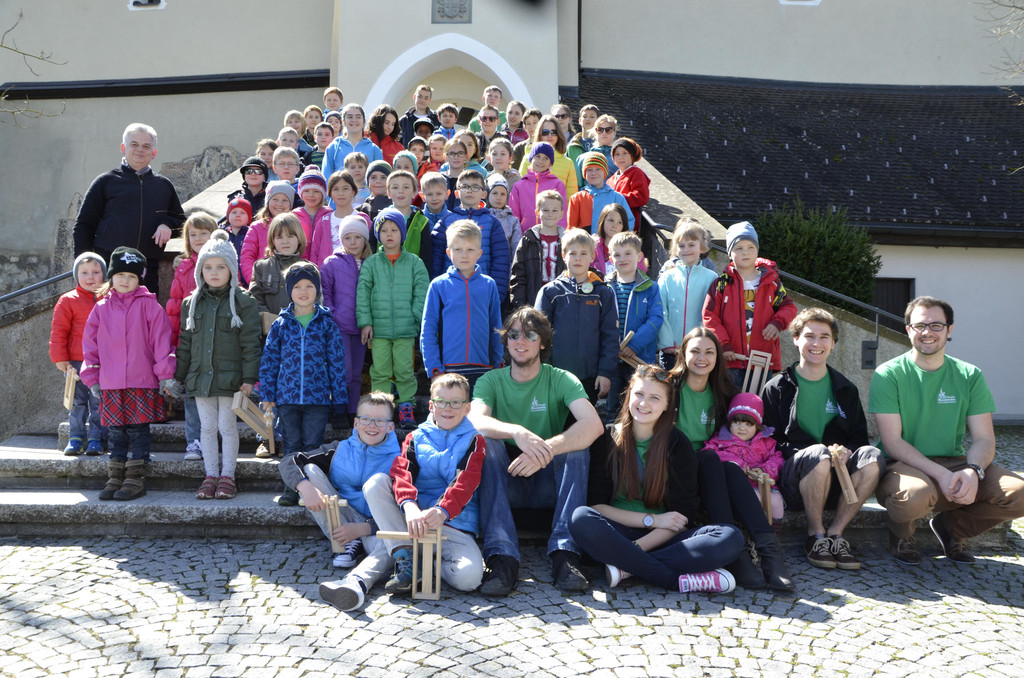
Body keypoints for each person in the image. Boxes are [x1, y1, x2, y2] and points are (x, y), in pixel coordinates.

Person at [869, 296, 1024, 565]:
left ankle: (951, 528)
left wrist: (973, 470)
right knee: (914, 495)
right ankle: (902, 535)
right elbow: (892, 441)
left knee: (1019, 493)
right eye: (919, 325)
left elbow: (984, 438)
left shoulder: (969, 375)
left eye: (936, 325)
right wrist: (940, 474)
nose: (927, 332)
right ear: (908, 329)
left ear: (949, 329)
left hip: (956, 462)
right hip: (903, 465)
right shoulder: (888, 374)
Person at [570, 364, 743, 593]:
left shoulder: (677, 444)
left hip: (665, 537)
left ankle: (627, 567)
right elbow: (597, 506)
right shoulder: (607, 438)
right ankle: (674, 580)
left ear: (666, 405)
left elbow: (681, 517)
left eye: (654, 398)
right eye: (639, 394)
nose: (644, 403)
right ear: (628, 395)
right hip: (617, 532)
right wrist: (651, 520)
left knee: (730, 537)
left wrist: (636, 549)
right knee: (580, 518)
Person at [469, 308, 605, 596]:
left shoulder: (561, 378)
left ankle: (566, 553)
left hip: (547, 482)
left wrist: (546, 449)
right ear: (506, 341)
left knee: (577, 448)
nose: (520, 341)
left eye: (530, 335)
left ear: (543, 342)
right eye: (513, 334)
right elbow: (475, 420)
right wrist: (517, 432)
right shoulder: (490, 381)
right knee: (487, 443)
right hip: (506, 479)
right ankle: (502, 556)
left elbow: (593, 425)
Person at [670, 327, 793, 591]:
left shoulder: (724, 393)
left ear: (717, 357)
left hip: (714, 465)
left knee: (730, 468)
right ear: (683, 354)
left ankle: (770, 556)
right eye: (695, 351)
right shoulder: (670, 388)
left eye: (709, 352)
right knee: (713, 460)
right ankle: (736, 554)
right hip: (676, 464)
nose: (702, 358)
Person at [761, 307, 884, 570]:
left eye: (824, 337)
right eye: (809, 336)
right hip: (795, 482)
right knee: (818, 453)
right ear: (796, 339)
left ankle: (836, 534)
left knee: (872, 456)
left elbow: (859, 438)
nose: (816, 343)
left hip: (839, 481)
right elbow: (767, 441)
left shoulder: (845, 388)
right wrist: (813, 454)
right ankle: (815, 536)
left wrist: (847, 451)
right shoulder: (777, 387)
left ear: (833, 343)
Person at [364, 373, 487, 597]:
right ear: (431, 405)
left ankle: (424, 564)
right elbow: (402, 473)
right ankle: (407, 557)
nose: (447, 408)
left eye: (456, 403)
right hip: (415, 521)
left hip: (452, 524)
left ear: (467, 408)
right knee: (375, 483)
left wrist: (442, 510)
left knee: (469, 578)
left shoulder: (475, 440)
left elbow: (465, 481)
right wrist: (410, 506)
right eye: (441, 402)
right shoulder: (415, 437)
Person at [286, 392, 402, 612]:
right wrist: (305, 487)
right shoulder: (338, 448)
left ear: (390, 426)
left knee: (394, 544)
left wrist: (364, 528)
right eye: (366, 419)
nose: (372, 426)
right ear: (356, 423)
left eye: (380, 421)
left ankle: (356, 583)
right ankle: (345, 544)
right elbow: (289, 461)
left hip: (376, 528)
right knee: (310, 469)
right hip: (342, 517)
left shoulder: (402, 457)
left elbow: (401, 514)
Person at [80, 247, 179, 501]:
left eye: (132, 276)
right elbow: (90, 346)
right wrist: (92, 376)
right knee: (115, 431)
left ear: (140, 279)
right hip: (111, 382)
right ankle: (115, 475)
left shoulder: (149, 306)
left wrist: (165, 375)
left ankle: (135, 477)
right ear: (111, 277)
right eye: (121, 275)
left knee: (138, 430)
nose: (125, 280)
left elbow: (161, 342)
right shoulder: (101, 308)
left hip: (141, 380)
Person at [174, 231, 261, 501]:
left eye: (221, 267)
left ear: (231, 269)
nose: (214, 272)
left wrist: (249, 378)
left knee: (227, 426)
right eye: (208, 267)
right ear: (200, 270)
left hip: (231, 379)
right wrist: (178, 377)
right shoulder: (192, 303)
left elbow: (251, 342)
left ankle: (228, 476)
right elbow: (185, 342)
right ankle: (210, 475)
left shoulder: (244, 301)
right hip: (201, 378)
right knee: (207, 428)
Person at [259, 262, 348, 505]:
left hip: (317, 398)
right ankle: (292, 487)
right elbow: (269, 361)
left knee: (312, 445)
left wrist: (340, 397)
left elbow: (336, 361)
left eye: (309, 285)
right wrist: (267, 394)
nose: (303, 291)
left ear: (317, 289)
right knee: (291, 444)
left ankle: (315, 487)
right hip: (286, 397)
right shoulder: (281, 324)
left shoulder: (326, 323)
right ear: (289, 291)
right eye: (297, 286)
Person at [73, 123, 185, 294]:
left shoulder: (163, 186)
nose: (140, 150)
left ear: (154, 153)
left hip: (146, 272)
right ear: (123, 148)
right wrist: (85, 265)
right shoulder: (106, 182)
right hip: (109, 270)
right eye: (134, 144)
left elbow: (182, 224)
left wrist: (167, 224)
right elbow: (83, 225)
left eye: (146, 146)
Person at [355, 209, 429, 429]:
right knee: (380, 371)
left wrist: (415, 317)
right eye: (384, 230)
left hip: (405, 329)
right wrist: (365, 322)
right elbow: (362, 293)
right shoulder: (371, 263)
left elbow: (422, 292)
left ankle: (406, 406)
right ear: (377, 234)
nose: (389, 234)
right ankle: (381, 408)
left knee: (405, 371)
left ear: (402, 233)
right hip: (379, 330)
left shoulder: (414, 262)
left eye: (394, 230)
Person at [702, 221, 797, 388]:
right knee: (732, 402)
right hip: (731, 359)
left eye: (750, 247)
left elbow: (789, 307)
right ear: (730, 253)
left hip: (763, 360)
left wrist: (777, 323)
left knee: (760, 403)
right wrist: (724, 344)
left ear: (757, 251)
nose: (745, 252)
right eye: (738, 248)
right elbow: (709, 317)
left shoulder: (772, 282)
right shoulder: (721, 284)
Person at [536, 229, 618, 405]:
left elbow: (610, 335)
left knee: (584, 419)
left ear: (592, 256)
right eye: (572, 253)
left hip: (590, 377)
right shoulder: (550, 292)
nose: (578, 258)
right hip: (554, 375)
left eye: (583, 253)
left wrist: (605, 372)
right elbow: (539, 335)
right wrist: (543, 370)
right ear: (563, 255)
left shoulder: (603, 293)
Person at [420, 220, 504, 391]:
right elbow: (428, 331)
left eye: (470, 249)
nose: (464, 255)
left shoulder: (489, 285)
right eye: (458, 249)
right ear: (448, 252)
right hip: (447, 370)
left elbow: (496, 329)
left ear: (479, 253)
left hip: (483, 370)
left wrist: (498, 364)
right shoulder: (438, 286)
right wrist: (435, 369)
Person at [50, 252, 107, 456]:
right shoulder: (67, 300)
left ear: (104, 274)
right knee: (77, 402)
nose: (90, 277)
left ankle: (96, 438)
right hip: (75, 362)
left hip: (102, 362)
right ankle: (75, 438)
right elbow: (59, 332)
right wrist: (60, 359)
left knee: (99, 402)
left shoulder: (110, 298)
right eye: (84, 272)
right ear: (76, 275)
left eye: (96, 272)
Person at [320, 215, 373, 428]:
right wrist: (332, 316)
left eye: (357, 237)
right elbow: (325, 293)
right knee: (343, 370)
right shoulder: (332, 263)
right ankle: (339, 409)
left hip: (361, 327)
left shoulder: (371, 263)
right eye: (347, 237)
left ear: (365, 239)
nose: (352, 242)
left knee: (357, 372)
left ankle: (353, 410)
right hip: (339, 327)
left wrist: (369, 322)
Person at [604, 231, 663, 420]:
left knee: (638, 405)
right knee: (613, 407)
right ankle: (612, 438)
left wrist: (634, 344)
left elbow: (656, 319)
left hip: (639, 358)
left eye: (628, 253)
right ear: (610, 258)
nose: (622, 259)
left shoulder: (651, 287)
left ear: (639, 256)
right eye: (617, 254)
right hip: (612, 359)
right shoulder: (604, 287)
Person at [703, 393, 784, 523]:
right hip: (737, 487)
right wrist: (738, 464)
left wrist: (764, 470)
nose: (742, 428)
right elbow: (709, 453)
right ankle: (751, 528)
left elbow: (777, 459)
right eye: (737, 422)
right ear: (730, 422)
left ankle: (775, 529)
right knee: (754, 499)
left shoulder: (766, 442)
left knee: (776, 502)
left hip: (763, 484)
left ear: (757, 426)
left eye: (748, 424)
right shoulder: (721, 440)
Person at [433, 169, 511, 301]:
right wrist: (437, 293)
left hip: (482, 292)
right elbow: (436, 259)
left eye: (475, 187)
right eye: (465, 186)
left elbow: (501, 260)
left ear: (484, 193)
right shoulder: (446, 221)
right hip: (450, 291)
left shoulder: (492, 223)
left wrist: (496, 295)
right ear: (457, 193)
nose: (470, 191)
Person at [657, 218, 718, 369]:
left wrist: (702, 342)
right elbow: (661, 310)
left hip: (699, 350)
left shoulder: (711, 278)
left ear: (701, 247)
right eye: (681, 245)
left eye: (691, 245)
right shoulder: (667, 277)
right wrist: (667, 343)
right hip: (671, 350)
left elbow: (711, 314)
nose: (686, 250)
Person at [508, 190, 565, 309]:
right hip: (533, 301)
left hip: (561, 302)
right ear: (537, 212)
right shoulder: (528, 240)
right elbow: (518, 276)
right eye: (545, 210)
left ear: (561, 214)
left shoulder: (568, 241)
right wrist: (520, 306)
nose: (550, 214)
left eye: (555, 210)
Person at [240, 181, 295, 284]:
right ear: (268, 201)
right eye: (275, 199)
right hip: (262, 282)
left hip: (288, 283)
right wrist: (254, 281)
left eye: (285, 200)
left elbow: (302, 254)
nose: (279, 204)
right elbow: (247, 257)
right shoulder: (256, 227)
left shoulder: (295, 226)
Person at [566, 152, 633, 234]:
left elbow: (628, 222)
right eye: (589, 170)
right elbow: (571, 228)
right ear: (584, 174)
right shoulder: (577, 198)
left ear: (605, 172)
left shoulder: (617, 197)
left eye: (598, 169)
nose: (593, 173)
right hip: (584, 241)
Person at [509, 142, 567, 230]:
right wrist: (517, 235)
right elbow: (514, 215)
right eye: (537, 156)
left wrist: (560, 234)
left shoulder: (557, 184)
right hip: (525, 234)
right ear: (531, 158)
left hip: (551, 234)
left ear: (550, 163)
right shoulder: (519, 186)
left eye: (546, 158)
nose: (541, 161)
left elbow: (562, 214)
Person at [517, 115, 578, 198]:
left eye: (554, 132)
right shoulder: (527, 159)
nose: (550, 135)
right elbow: (520, 190)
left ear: (559, 134)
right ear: (539, 134)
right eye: (545, 132)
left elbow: (571, 196)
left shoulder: (568, 163)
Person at [386, 169, 431, 273]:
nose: (400, 191)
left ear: (414, 192)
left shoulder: (422, 222)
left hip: (412, 276)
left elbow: (426, 257)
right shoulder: (379, 220)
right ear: (388, 193)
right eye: (395, 187)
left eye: (406, 187)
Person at [322, 104, 383, 180]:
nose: (354, 120)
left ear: (364, 121)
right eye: (350, 117)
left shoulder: (374, 149)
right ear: (343, 122)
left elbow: (380, 177)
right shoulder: (333, 148)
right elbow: (326, 177)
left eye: (358, 117)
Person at [607, 138, 650, 230]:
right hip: (612, 223)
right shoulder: (611, 179)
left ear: (632, 156)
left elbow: (641, 196)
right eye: (617, 154)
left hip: (627, 223)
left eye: (625, 153)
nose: (620, 157)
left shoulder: (636, 173)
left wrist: (617, 198)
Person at [292, 166, 332, 259]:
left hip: (323, 263)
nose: (311, 195)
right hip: (300, 263)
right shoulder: (294, 216)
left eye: (316, 191)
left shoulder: (329, 215)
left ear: (323, 193)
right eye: (306, 191)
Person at [572, 114, 616, 188]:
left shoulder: (620, 159)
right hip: (588, 194)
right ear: (595, 132)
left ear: (614, 132)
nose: (604, 133)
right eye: (600, 130)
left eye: (608, 129)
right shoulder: (583, 158)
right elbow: (576, 185)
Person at [486, 174, 521, 262]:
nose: (499, 198)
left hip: (504, 265)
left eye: (503, 194)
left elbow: (516, 248)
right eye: (495, 193)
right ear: (487, 194)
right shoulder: (482, 216)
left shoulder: (513, 221)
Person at [222, 197, 252, 279]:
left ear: (249, 218)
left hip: (246, 276)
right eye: (234, 212)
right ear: (228, 216)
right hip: (227, 277)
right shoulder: (223, 234)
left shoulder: (251, 234)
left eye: (243, 213)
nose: (238, 215)